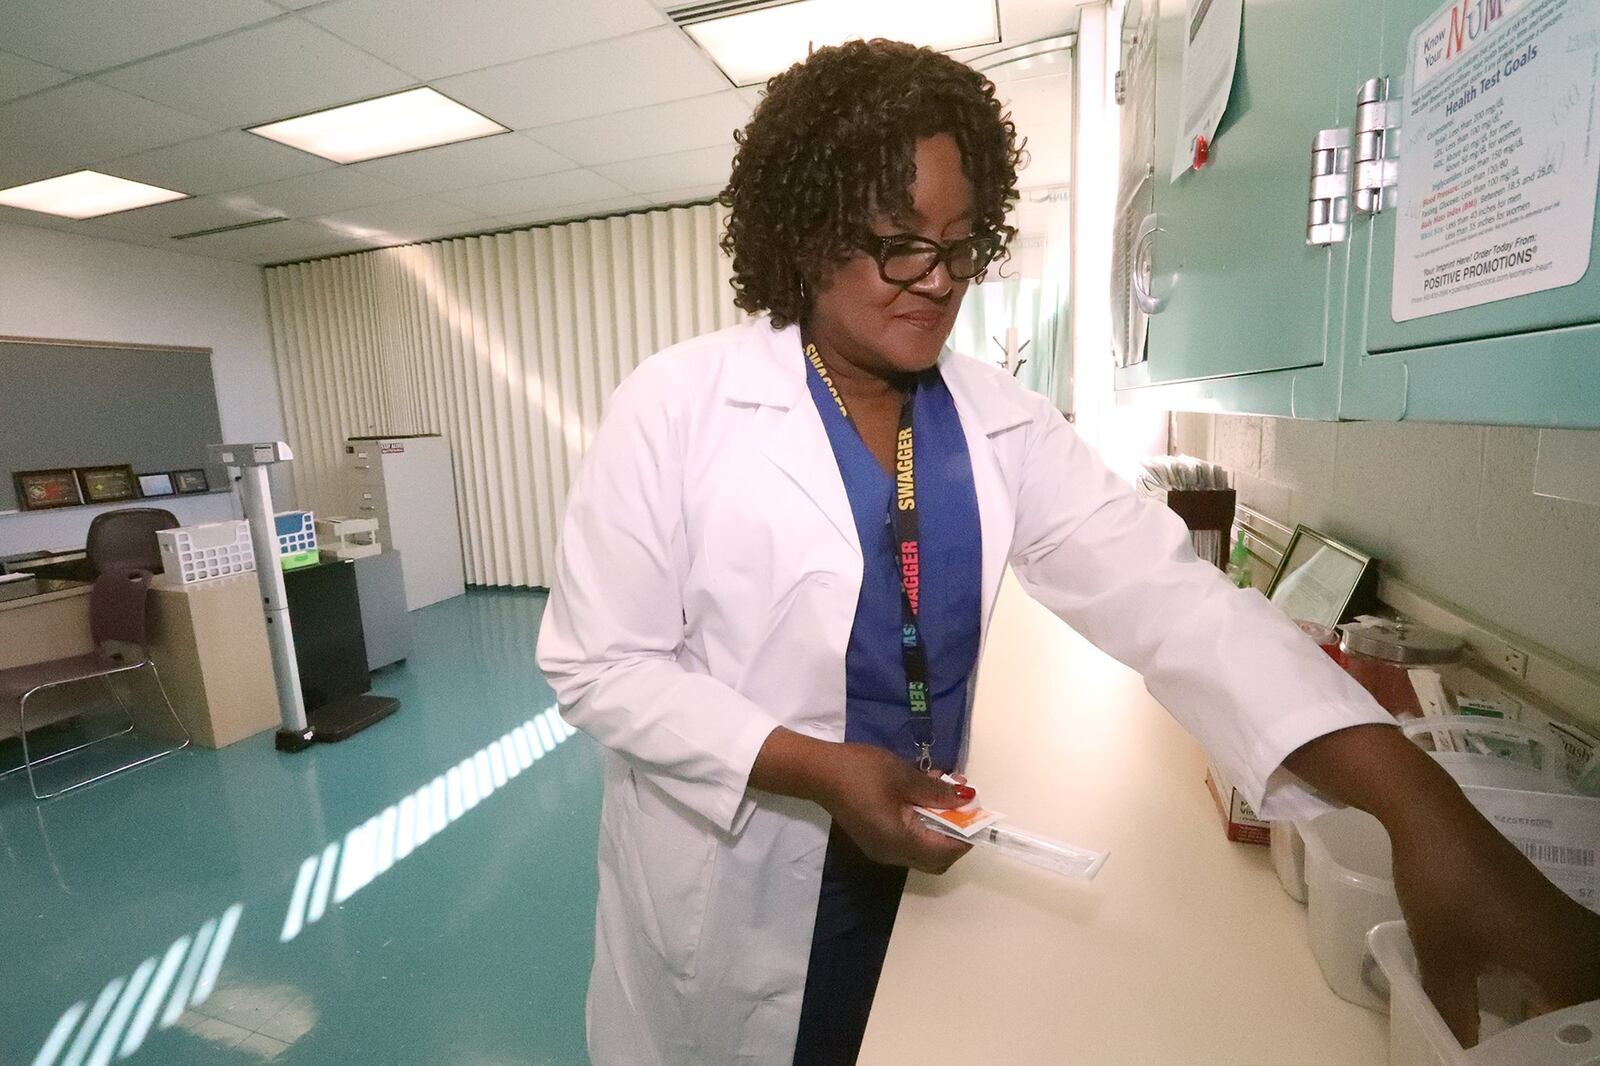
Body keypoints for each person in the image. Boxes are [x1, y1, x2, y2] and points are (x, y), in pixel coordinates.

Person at [536, 38, 1600, 1066]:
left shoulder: (998, 421)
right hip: (729, 878)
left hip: (909, 851)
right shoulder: (675, 409)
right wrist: (816, 768)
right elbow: (599, 665)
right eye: (900, 243)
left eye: (961, 245)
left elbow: (1173, 600)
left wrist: (1417, 804)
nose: (939, 280)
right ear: (808, 235)